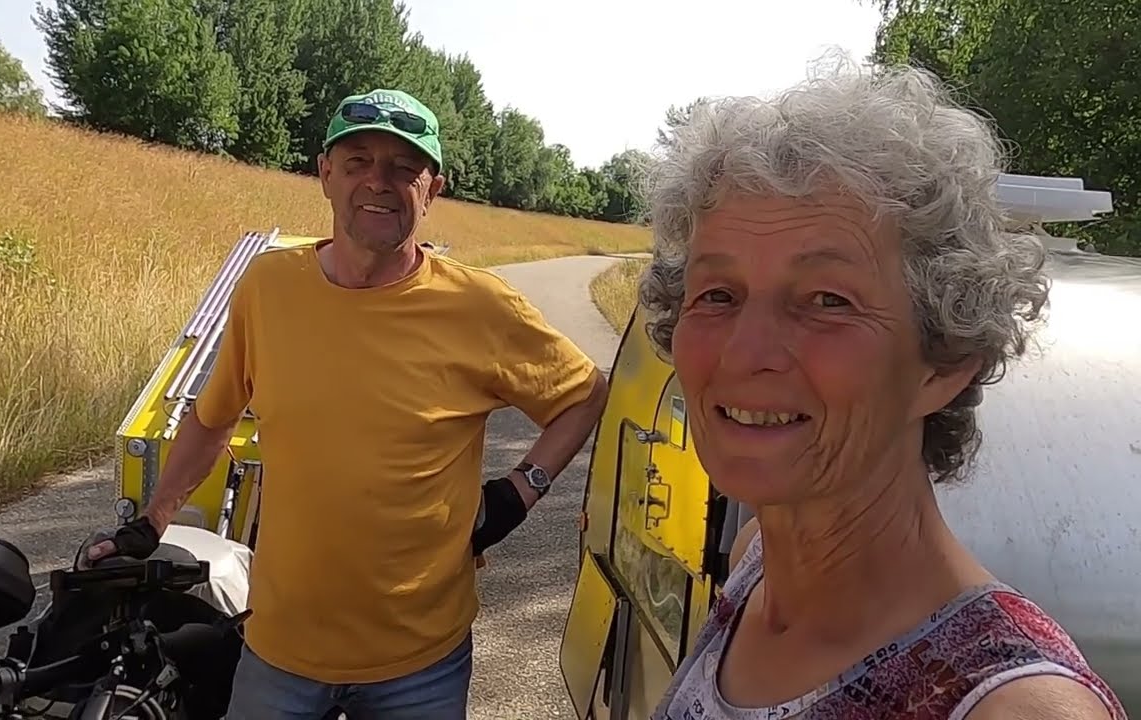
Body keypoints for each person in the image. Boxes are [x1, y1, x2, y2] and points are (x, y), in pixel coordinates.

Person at [81, 88, 609, 719]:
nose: (379, 183)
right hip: (279, 650)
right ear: (325, 174)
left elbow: (584, 394)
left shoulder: (479, 306)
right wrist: (153, 520)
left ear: (432, 189)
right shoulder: (268, 288)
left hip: (422, 664)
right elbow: (212, 418)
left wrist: (517, 493)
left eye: (403, 168)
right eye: (358, 161)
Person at [640, 62, 1128, 719]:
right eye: (718, 293)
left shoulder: (1007, 705)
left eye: (826, 300)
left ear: (943, 361)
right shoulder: (756, 561)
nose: (744, 352)